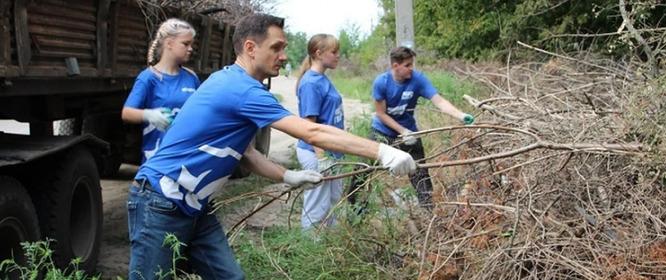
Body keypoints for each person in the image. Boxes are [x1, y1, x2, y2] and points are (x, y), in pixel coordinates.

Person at [126, 14, 417, 280]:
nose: (284, 56)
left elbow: (246, 152)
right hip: (161, 199)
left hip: (194, 207)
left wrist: (286, 176)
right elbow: (312, 131)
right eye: (276, 48)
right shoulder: (241, 89)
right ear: (251, 48)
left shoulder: (234, 81)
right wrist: (382, 152)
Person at [352, 46, 474, 210]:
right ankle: (355, 207)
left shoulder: (418, 80)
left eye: (412, 65)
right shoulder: (382, 82)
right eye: (408, 65)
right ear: (396, 66)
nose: (411, 69)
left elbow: (439, 101)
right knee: (362, 169)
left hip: (410, 132)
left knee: (420, 172)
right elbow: (381, 114)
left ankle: (429, 211)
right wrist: (402, 131)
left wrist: (460, 115)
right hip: (382, 131)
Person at [121, 18, 200, 163]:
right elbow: (126, 113)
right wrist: (149, 114)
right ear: (169, 43)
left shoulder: (191, 77)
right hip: (158, 160)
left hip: (187, 159)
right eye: (185, 44)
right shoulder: (149, 78)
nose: (191, 49)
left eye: (191, 44)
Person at [295, 34, 345, 230]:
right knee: (316, 207)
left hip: (333, 152)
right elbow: (309, 127)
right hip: (317, 153)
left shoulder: (322, 79)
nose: (338, 56)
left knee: (334, 203)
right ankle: (310, 251)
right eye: (334, 52)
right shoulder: (310, 83)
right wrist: (322, 159)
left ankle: (332, 247)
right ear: (318, 53)